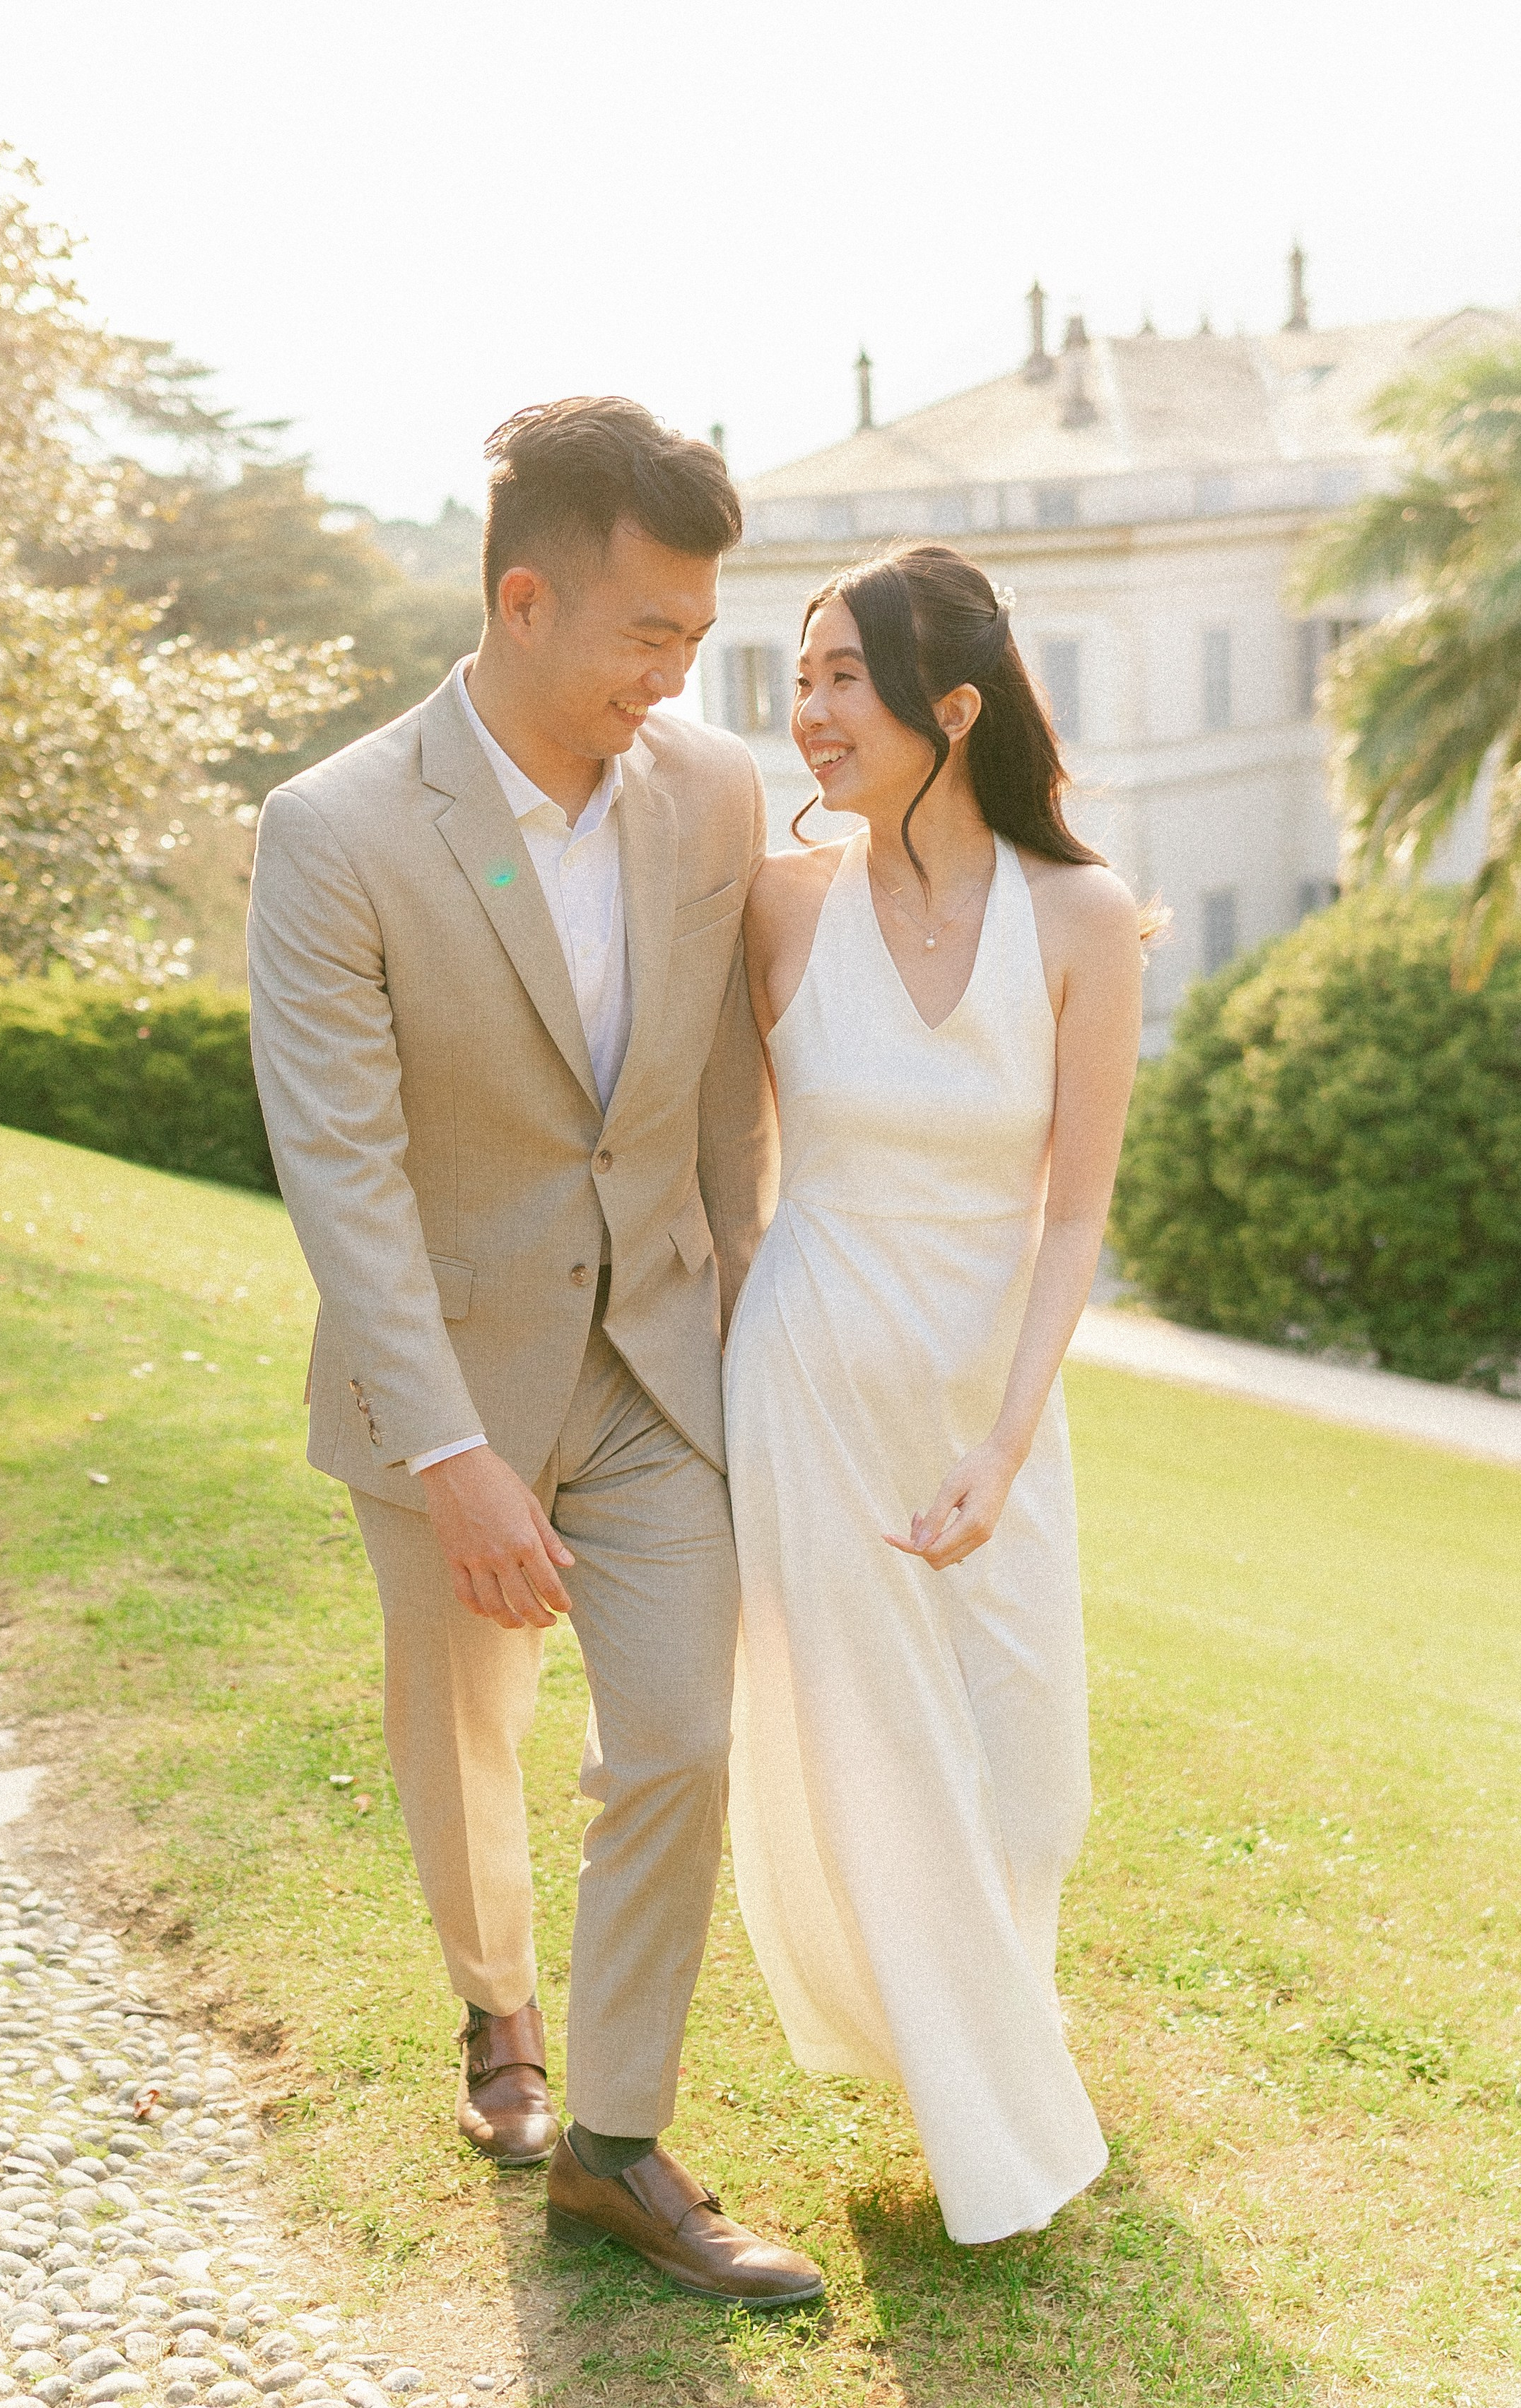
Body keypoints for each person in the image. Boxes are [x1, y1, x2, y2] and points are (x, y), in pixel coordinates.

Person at [247, 396, 823, 2308]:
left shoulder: (714, 790)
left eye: (700, 636)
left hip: (660, 1369)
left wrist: (761, 1355)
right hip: (444, 1387)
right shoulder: (333, 833)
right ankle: (497, 2006)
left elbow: (733, 1112)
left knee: (676, 1734)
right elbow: (343, 1177)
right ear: (521, 598)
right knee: (465, 1732)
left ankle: (620, 2142)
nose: (683, 674)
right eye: (651, 632)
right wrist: (450, 1452)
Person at [725, 543, 1146, 2245]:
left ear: (949, 708)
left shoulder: (1078, 914)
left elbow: (1073, 1209)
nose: (808, 710)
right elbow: (717, 1152)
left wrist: (1002, 1439)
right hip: (808, 1374)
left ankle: (984, 2051)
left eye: (843, 678)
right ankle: (996, 2128)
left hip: (990, 1399)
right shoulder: (773, 900)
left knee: (1025, 1768)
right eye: (801, 672)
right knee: (874, 1758)